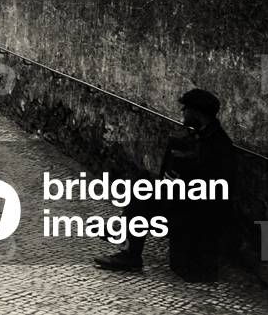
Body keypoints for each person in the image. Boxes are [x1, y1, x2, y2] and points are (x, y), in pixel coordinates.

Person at [93, 88, 237, 281]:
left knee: (143, 194)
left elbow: (207, 193)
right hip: (183, 203)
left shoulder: (217, 147)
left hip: (196, 213)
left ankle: (128, 248)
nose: (183, 113)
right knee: (142, 186)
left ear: (196, 112)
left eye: (185, 109)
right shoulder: (201, 136)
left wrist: (169, 191)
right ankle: (126, 241)